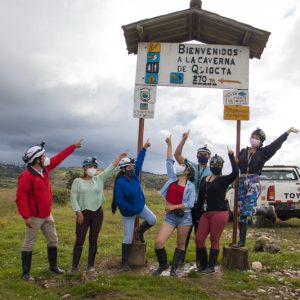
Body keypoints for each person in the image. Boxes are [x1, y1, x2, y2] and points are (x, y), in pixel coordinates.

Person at [16, 139, 83, 281]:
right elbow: (21, 198)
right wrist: (26, 216)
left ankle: (53, 267)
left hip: (47, 214)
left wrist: (73, 147)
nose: (46, 158)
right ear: (36, 160)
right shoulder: (26, 176)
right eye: (43, 156)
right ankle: (26, 273)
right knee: (29, 243)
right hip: (34, 216)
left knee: (53, 240)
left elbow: (59, 158)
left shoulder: (44, 169)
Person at [232, 127, 299, 248]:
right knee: (242, 212)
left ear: (261, 141)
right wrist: (232, 157)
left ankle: (242, 242)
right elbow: (236, 166)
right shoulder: (242, 151)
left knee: (246, 211)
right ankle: (266, 210)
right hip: (242, 182)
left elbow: (276, 144)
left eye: (257, 138)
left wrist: (287, 132)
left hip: (253, 181)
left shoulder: (264, 152)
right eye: (253, 136)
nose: (254, 139)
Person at [68, 150, 128, 274]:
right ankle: (74, 267)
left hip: (97, 213)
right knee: (79, 239)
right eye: (90, 166)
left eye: (94, 167)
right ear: (84, 168)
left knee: (93, 238)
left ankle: (90, 266)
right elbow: (73, 197)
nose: (92, 169)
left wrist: (120, 157)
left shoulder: (99, 179)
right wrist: (78, 212)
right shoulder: (77, 182)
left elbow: (110, 168)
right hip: (83, 213)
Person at [153, 135, 196, 277]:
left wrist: (173, 206)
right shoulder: (172, 178)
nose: (180, 166)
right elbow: (169, 161)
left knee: (180, 244)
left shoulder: (191, 186)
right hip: (171, 217)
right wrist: (169, 144)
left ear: (188, 171)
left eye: (183, 165)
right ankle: (163, 265)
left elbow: (190, 203)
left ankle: (174, 269)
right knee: (159, 242)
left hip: (185, 218)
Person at [111, 138, 157, 272]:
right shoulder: (120, 182)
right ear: (123, 169)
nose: (132, 168)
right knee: (127, 237)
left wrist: (144, 148)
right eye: (129, 167)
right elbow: (120, 201)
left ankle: (140, 231)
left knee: (152, 219)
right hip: (128, 213)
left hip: (141, 207)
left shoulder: (135, 175)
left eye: (132, 166)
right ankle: (124, 263)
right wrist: (131, 210)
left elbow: (140, 162)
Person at [195, 148, 239, 273]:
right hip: (205, 213)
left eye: (218, 164)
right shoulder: (204, 179)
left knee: (214, 240)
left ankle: (211, 266)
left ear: (221, 166)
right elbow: (200, 198)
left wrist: (231, 156)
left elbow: (235, 172)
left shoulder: (224, 179)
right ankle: (203, 265)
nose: (215, 166)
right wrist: (198, 215)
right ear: (210, 165)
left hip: (219, 213)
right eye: (213, 164)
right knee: (199, 239)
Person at [174, 130, 212, 266]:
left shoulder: (212, 171)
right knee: (184, 234)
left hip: (202, 208)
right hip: (188, 206)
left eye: (206, 154)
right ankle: (179, 261)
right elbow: (177, 155)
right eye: (201, 154)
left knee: (200, 236)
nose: (203, 156)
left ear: (209, 157)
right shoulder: (191, 167)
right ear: (197, 156)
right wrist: (184, 139)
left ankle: (201, 263)